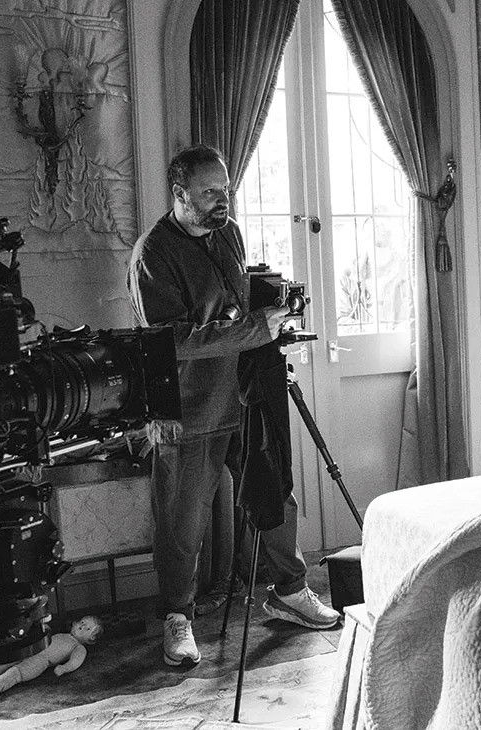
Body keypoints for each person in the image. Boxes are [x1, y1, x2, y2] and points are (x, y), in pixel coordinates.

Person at [128, 145, 340, 668]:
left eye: (225, 189)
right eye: (209, 193)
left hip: (244, 394)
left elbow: (237, 310)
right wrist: (252, 329)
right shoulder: (152, 254)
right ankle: (177, 617)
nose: (223, 200)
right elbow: (170, 340)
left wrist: (272, 326)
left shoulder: (230, 234)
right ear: (180, 195)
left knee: (274, 491)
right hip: (187, 408)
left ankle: (288, 590)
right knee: (182, 521)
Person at [0, 616, 103, 698]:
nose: (82, 626)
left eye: (88, 628)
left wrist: (64, 668)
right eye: (82, 622)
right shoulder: (64, 635)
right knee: (3, 664)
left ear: (91, 638)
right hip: (32, 650)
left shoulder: (78, 647)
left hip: (41, 661)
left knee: (15, 672)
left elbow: (76, 661)